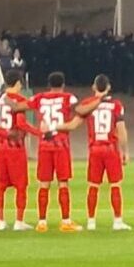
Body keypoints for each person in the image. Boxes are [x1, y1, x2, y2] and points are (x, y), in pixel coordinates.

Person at [63, 74, 131, 231]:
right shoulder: (115, 105)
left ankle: (91, 221)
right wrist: (125, 151)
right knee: (115, 185)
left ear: (94, 87)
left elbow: (74, 124)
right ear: (108, 87)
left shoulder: (88, 104)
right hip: (110, 149)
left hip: (94, 149)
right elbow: (121, 129)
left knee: (93, 186)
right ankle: (117, 221)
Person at [30, 72, 82, 231]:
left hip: (44, 144)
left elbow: (24, 105)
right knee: (63, 183)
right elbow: (79, 109)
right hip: (61, 145)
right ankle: (65, 221)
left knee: (44, 184)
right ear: (63, 84)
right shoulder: (69, 98)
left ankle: (42, 222)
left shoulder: (39, 98)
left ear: (49, 84)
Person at [0, 69, 36, 231]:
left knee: (0, 186)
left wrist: (1, 133)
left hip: (0, 148)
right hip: (16, 148)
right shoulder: (20, 100)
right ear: (18, 83)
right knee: (21, 185)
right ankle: (18, 221)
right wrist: (38, 133)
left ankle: (0, 221)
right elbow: (21, 124)